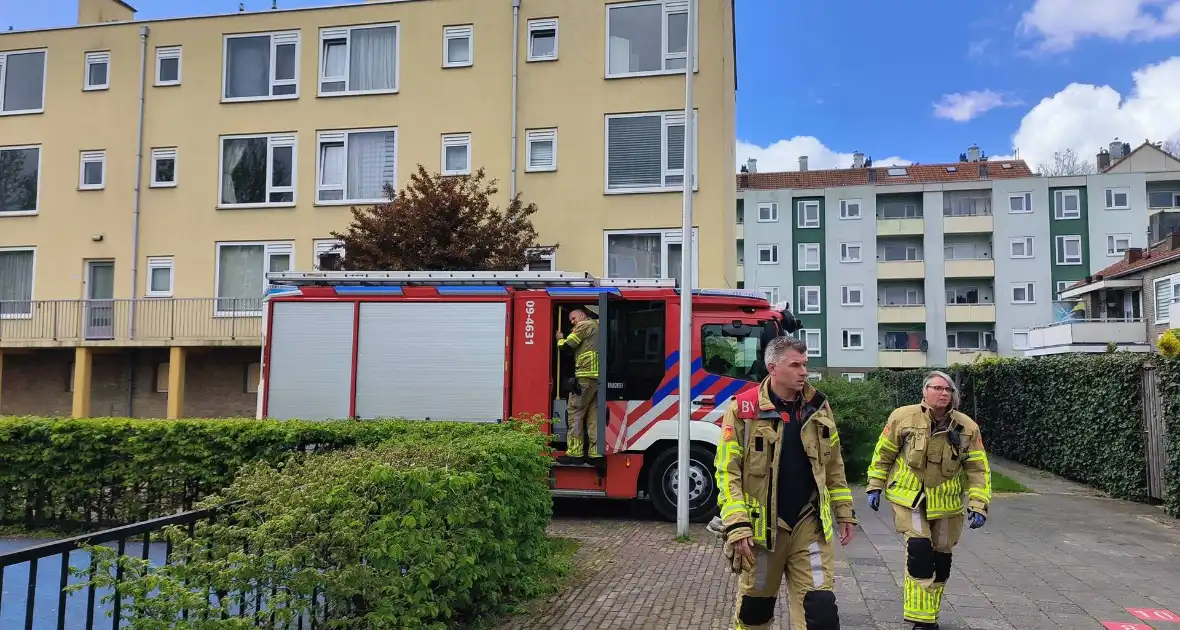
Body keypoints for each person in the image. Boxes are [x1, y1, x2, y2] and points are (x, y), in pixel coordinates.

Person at [715, 335, 857, 630]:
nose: (804, 371)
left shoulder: (818, 406)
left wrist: (844, 510)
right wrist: (737, 523)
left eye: (805, 364)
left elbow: (833, 464)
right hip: (763, 531)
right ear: (773, 367)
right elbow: (728, 472)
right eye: (795, 365)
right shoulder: (743, 410)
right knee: (755, 611)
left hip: (809, 524)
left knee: (821, 612)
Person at [865, 370, 992, 630]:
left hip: (947, 503)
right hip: (908, 497)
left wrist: (979, 504)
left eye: (948, 390)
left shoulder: (967, 427)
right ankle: (920, 619)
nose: (943, 393)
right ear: (925, 392)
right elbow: (884, 453)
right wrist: (874, 485)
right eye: (937, 388)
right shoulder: (903, 417)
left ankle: (929, 615)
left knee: (941, 561)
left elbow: (978, 469)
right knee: (920, 553)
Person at [556, 307, 600, 461]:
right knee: (593, 416)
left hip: (584, 377)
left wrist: (560, 338)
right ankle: (595, 454)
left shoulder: (584, 325)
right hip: (596, 378)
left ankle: (575, 453)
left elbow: (567, 345)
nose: (573, 322)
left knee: (575, 413)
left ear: (583, 315)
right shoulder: (597, 325)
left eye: (574, 318)